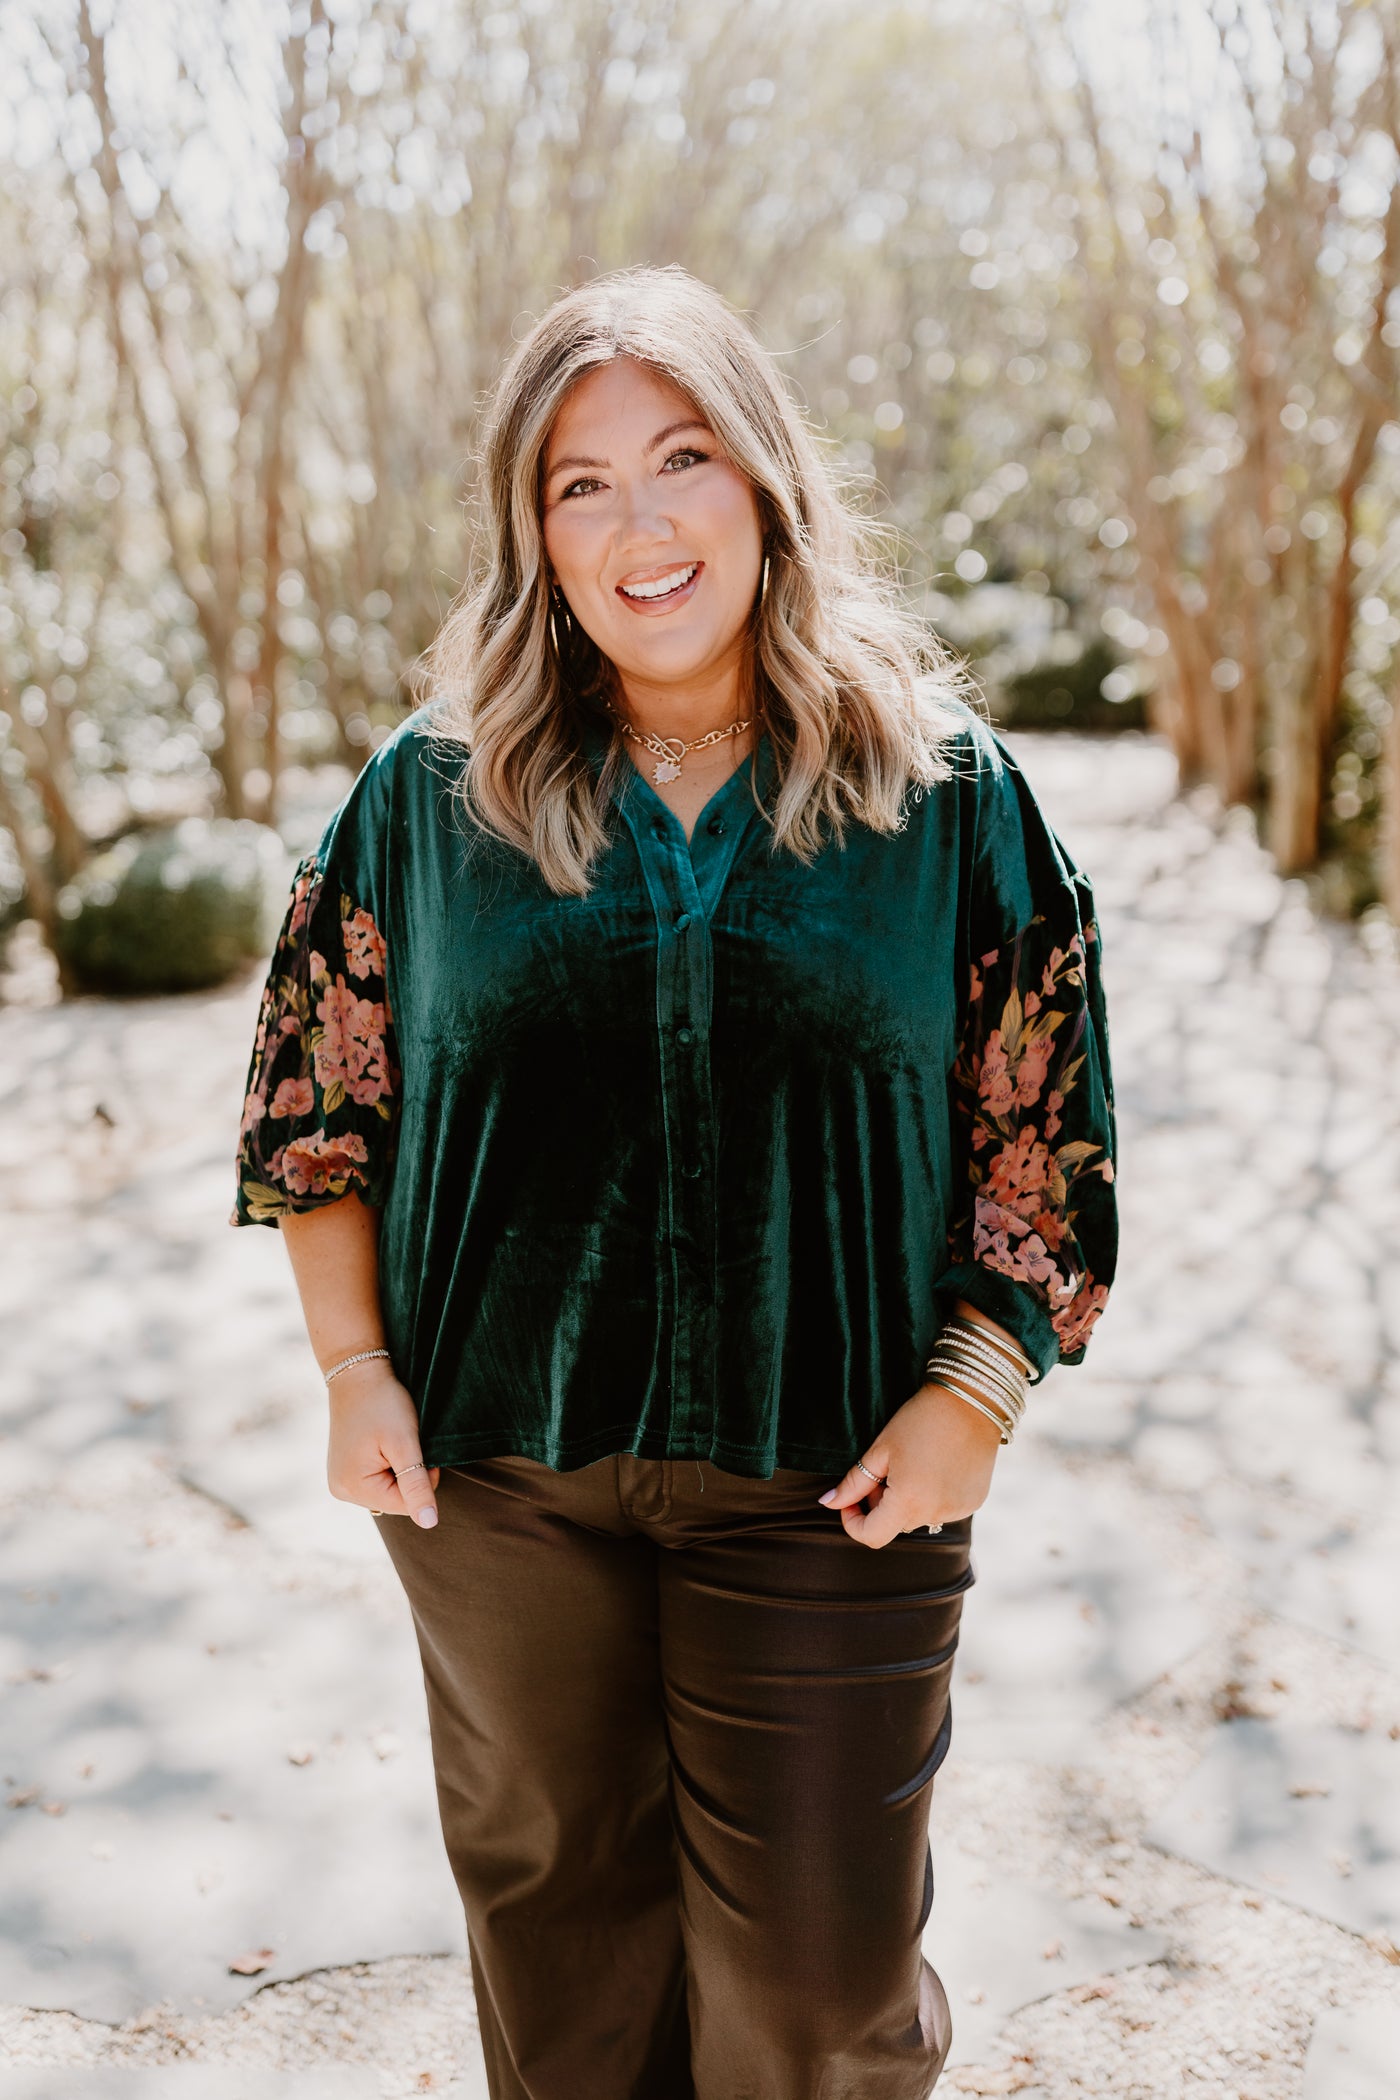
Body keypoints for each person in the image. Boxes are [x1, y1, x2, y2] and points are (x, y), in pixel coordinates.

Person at [230, 263, 1117, 2100]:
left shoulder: (942, 796)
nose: (639, 521)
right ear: (533, 532)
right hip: (500, 1479)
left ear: (766, 485)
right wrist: (351, 1369)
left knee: (814, 2003)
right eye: (580, 483)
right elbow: (323, 1097)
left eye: (682, 456)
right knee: (568, 1973)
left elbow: (1045, 1123)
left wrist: (981, 1388)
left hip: (838, 1480)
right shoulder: (433, 792)